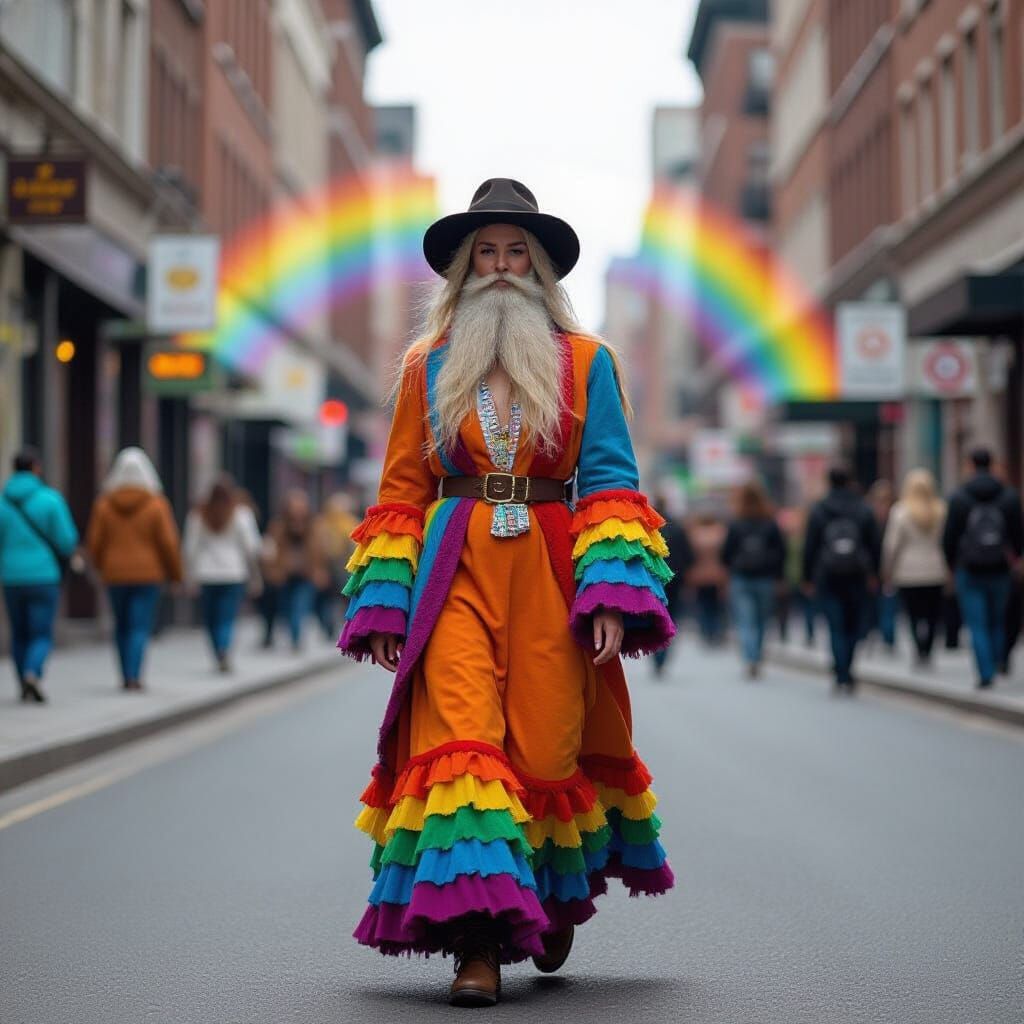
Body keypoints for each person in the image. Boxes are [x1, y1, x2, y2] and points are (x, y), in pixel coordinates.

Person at [337, 179, 674, 1006]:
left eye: (513, 252)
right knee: (460, 747)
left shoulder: (590, 361)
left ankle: (550, 900)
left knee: (547, 753)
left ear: (539, 267)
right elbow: (403, 487)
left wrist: (608, 598)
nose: (497, 266)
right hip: (453, 572)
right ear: (461, 268)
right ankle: (477, 947)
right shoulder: (426, 363)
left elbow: (608, 480)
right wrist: (384, 602)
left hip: (551, 577)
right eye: (483, 253)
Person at [86, 448, 182, 690]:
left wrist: (98, 566)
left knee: (121, 625)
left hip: (114, 574)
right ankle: (134, 676)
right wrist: (176, 573)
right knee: (139, 625)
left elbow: (94, 542)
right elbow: (168, 543)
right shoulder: (156, 504)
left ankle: (124, 672)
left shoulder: (104, 504)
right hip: (149, 575)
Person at [0, 448, 79, 702]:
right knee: (41, 633)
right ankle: (33, 673)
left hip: (11, 577)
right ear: (36, 467)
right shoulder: (50, 500)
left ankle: (22, 678)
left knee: (19, 631)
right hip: (44, 576)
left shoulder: (2, 503)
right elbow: (67, 541)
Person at [941, 447, 1024, 688]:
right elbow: (1018, 535)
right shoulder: (1009, 496)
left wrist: (951, 564)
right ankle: (999, 660)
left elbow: (950, 537)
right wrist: (1015, 558)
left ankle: (986, 672)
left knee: (977, 623)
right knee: (997, 619)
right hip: (1000, 568)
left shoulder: (959, 497)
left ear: (970, 465)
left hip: (970, 568)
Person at [802, 464, 881, 691]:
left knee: (835, 626)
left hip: (828, 575)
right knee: (854, 624)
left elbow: (811, 546)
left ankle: (840, 671)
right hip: (857, 574)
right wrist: (875, 573)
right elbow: (874, 544)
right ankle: (848, 667)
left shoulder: (819, 509)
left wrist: (807, 577)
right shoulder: (863, 508)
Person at [183, 476, 262, 672]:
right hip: (233, 573)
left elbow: (189, 548)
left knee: (211, 618)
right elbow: (252, 547)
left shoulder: (198, 514)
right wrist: (255, 575)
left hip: (206, 574)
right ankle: (223, 649)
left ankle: (218, 649)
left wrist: (189, 576)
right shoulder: (241, 514)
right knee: (227, 617)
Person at [881, 469, 947, 667]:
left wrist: (887, 569)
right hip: (936, 569)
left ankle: (918, 648)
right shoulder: (941, 510)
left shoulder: (900, 512)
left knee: (912, 614)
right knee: (933, 614)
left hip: (908, 571)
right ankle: (928, 648)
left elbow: (891, 545)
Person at [722, 480, 786, 679]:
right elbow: (781, 551)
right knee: (761, 621)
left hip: (741, 578)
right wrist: (778, 575)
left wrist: (732, 567)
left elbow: (726, 553)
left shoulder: (736, 523)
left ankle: (750, 658)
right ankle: (756, 655)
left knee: (745, 620)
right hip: (765, 578)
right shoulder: (770, 522)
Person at [263, 490, 327, 651]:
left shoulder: (313, 526)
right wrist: (272, 569)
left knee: (300, 606)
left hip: (306, 574)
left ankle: (296, 638)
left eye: (301, 506)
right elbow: (270, 550)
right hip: (284, 574)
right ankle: (292, 636)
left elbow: (320, 551)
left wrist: (319, 571)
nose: (298, 510)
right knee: (286, 607)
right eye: (294, 506)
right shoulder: (278, 526)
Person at [650, 492, 693, 678]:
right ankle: (663, 653)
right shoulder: (677, 527)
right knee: (671, 616)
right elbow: (688, 554)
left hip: (652, 578)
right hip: (675, 579)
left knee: (653, 617)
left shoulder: (648, 526)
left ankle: (657, 655)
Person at [316, 492, 359, 640]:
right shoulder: (350, 523)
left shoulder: (323, 523)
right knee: (343, 599)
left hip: (333, 568)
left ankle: (332, 627)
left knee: (329, 600)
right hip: (341, 568)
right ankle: (346, 626)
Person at [687, 507, 728, 646]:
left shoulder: (695, 533)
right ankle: (716, 631)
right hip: (718, 575)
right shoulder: (720, 532)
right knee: (717, 605)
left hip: (699, 575)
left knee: (703, 605)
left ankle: (706, 631)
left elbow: (689, 555)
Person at [866, 479, 898, 651]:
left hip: (883, 567)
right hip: (886, 567)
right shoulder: (896, 515)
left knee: (885, 604)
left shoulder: (870, 515)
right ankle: (887, 635)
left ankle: (886, 634)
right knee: (887, 603)